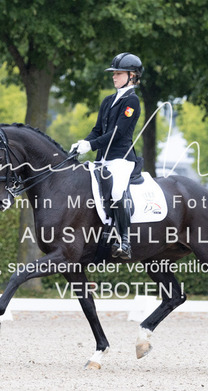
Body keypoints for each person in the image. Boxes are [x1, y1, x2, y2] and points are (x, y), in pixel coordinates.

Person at [71, 52, 143, 259]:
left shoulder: (132, 101)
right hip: (102, 159)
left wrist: (92, 145)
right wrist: (83, 143)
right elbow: (97, 130)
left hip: (121, 160)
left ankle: (125, 240)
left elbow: (117, 133)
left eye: (118, 73)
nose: (114, 76)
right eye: (114, 73)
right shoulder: (108, 100)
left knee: (117, 193)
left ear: (132, 76)